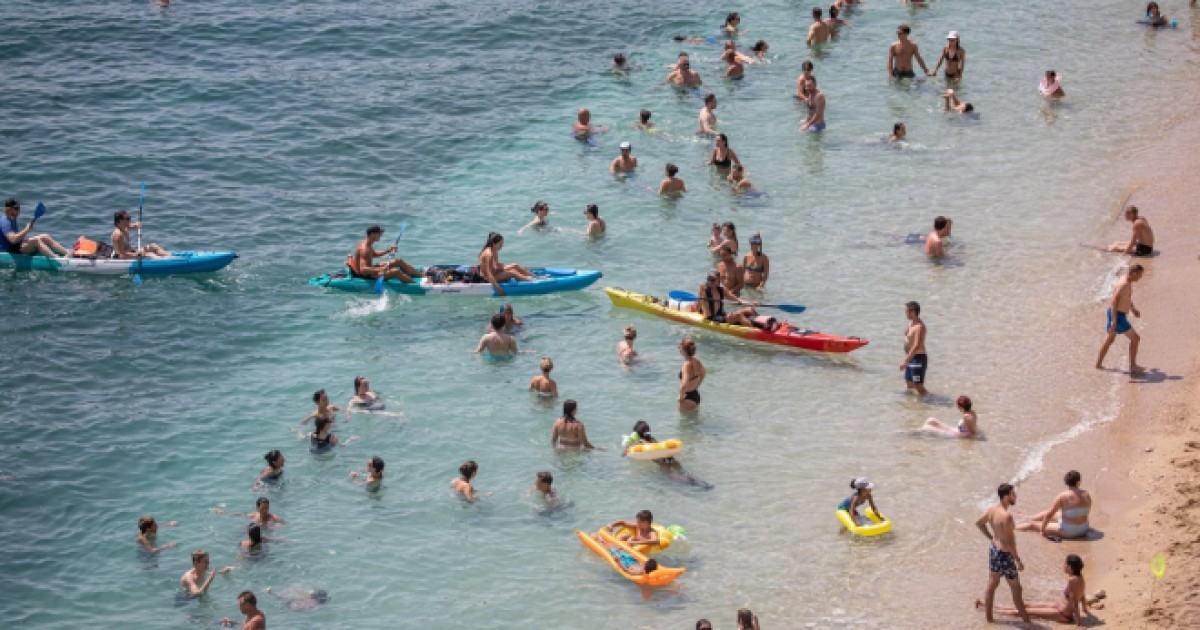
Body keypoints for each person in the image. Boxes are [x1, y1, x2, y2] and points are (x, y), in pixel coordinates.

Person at [976, 554, 1093, 626]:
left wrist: (1078, 623)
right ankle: (993, 607)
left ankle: (988, 609)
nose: (1063, 566)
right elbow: (1081, 595)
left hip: (1062, 614)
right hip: (1059, 606)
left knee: (1025, 612)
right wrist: (1085, 609)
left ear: (1070, 567)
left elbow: (1073, 601)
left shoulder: (1072, 581)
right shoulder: (1080, 578)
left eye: (1065, 564)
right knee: (1026, 605)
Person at [976, 484, 1031, 624]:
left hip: (994, 550)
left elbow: (979, 523)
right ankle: (1027, 622)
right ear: (1006, 496)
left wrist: (991, 537)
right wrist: (1018, 560)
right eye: (1013, 494)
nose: (1015, 496)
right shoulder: (1007, 517)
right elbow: (1010, 543)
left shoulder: (992, 510)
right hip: (1005, 555)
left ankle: (989, 619)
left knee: (992, 584)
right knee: (1016, 588)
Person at [625, 420, 711, 488]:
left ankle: (694, 485)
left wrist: (629, 446)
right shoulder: (652, 438)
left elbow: (628, 452)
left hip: (663, 463)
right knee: (685, 473)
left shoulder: (641, 442)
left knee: (673, 477)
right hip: (670, 458)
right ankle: (701, 483)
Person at [1095, 264, 1144, 374]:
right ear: (1134, 274)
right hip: (1118, 315)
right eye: (1140, 275)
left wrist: (1133, 309)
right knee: (1135, 338)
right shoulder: (1125, 284)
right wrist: (1114, 320)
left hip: (1114, 314)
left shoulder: (1125, 279)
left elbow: (1125, 298)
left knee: (1109, 340)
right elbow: (1114, 301)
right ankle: (1133, 366)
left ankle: (1098, 365)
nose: (1140, 278)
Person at [1018, 470, 1093, 540]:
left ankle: (1013, 528)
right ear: (1078, 482)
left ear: (1066, 482)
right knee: (1056, 514)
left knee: (1032, 525)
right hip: (1084, 529)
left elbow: (1049, 515)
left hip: (1069, 532)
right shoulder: (1086, 494)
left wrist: (1042, 530)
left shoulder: (1063, 496)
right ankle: (1029, 517)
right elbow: (1087, 510)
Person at [349, 225, 423, 283]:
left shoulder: (367, 243)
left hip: (371, 269)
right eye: (379, 233)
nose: (381, 235)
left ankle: (422, 276)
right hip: (367, 275)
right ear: (372, 234)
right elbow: (363, 270)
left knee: (398, 261)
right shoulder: (364, 249)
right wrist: (380, 269)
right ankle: (414, 284)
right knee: (395, 271)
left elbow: (373, 254)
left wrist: (388, 250)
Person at [1, 199, 68, 258]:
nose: (18, 211)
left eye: (18, 209)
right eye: (16, 209)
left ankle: (68, 254)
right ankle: (57, 259)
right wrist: (26, 229)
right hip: (9, 250)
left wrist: (26, 232)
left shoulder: (12, 219)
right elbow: (13, 240)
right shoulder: (5, 222)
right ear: (8, 210)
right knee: (36, 241)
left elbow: (16, 239)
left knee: (45, 236)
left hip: (16, 246)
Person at [590, 531, 658, 576]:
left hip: (624, 561)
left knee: (610, 548)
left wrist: (619, 561)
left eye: (646, 563)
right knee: (614, 547)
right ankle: (602, 539)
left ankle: (599, 540)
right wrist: (634, 557)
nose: (645, 562)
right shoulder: (642, 568)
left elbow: (626, 569)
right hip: (630, 559)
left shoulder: (638, 572)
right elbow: (638, 562)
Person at [901, 301, 928, 395]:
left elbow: (917, 345)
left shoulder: (919, 327)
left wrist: (905, 360)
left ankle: (929, 399)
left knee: (917, 385)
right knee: (909, 383)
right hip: (911, 357)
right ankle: (914, 406)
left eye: (906, 311)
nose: (905, 313)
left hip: (918, 358)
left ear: (912, 312)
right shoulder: (911, 324)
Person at [678, 337, 706, 411]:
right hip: (695, 394)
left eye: (680, 348)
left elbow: (684, 384)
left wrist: (680, 398)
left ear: (684, 350)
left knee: (684, 422)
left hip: (687, 397)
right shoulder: (696, 360)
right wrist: (697, 385)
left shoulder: (686, 365)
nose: (679, 350)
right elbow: (703, 373)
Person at [266, 586, 330, 611]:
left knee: (283, 598)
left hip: (292, 605)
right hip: (294, 607)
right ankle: (272, 593)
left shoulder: (308, 600)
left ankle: (271, 593)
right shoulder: (317, 604)